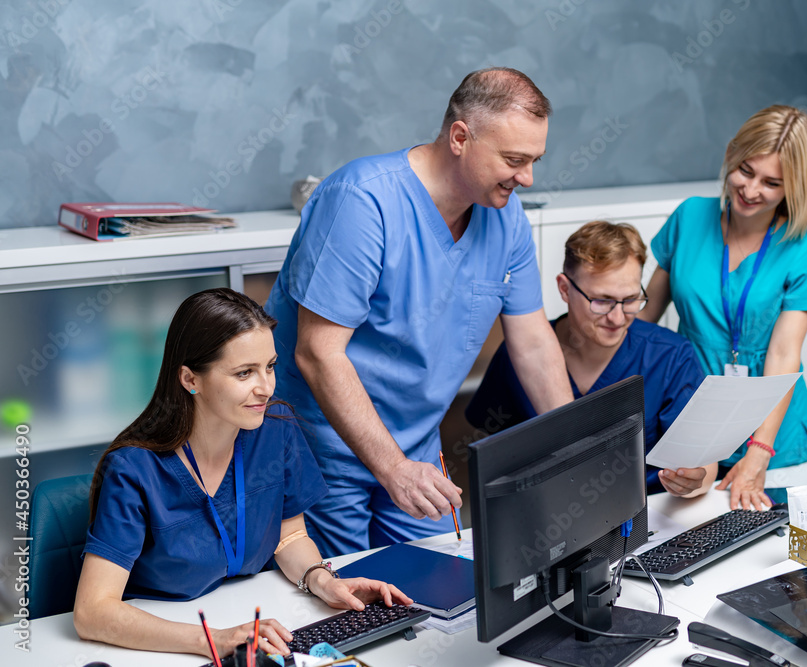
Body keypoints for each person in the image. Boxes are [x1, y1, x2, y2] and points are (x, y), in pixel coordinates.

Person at [265, 67, 574, 557]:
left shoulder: (505, 215)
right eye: (514, 159)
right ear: (460, 137)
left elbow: (533, 344)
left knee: (439, 587)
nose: (528, 178)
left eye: (534, 160)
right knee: (346, 603)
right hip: (322, 449)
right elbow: (317, 353)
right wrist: (391, 468)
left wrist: (576, 446)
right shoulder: (362, 202)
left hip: (416, 451)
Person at [74, 288, 411, 660]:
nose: (265, 388)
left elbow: (290, 534)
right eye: (244, 373)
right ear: (190, 379)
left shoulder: (275, 428)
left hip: (253, 620)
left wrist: (323, 581)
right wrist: (213, 640)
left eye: (269, 366)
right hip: (163, 646)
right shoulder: (134, 469)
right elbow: (93, 612)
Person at [638, 105, 807, 511]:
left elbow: (784, 353)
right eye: (745, 170)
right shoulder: (689, 217)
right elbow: (642, 323)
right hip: (691, 411)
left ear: (794, 187)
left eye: (772, 183)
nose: (751, 190)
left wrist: (760, 451)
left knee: (772, 556)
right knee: (685, 543)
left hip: (774, 431)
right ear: (731, 155)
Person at [467, 220, 712, 497]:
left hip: (652, 514)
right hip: (549, 518)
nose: (618, 318)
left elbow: (705, 466)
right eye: (602, 301)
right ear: (565, 289)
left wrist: (692, 483)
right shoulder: (521, 353)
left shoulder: (669, 356)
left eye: (631, 299)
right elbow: (492, 456)